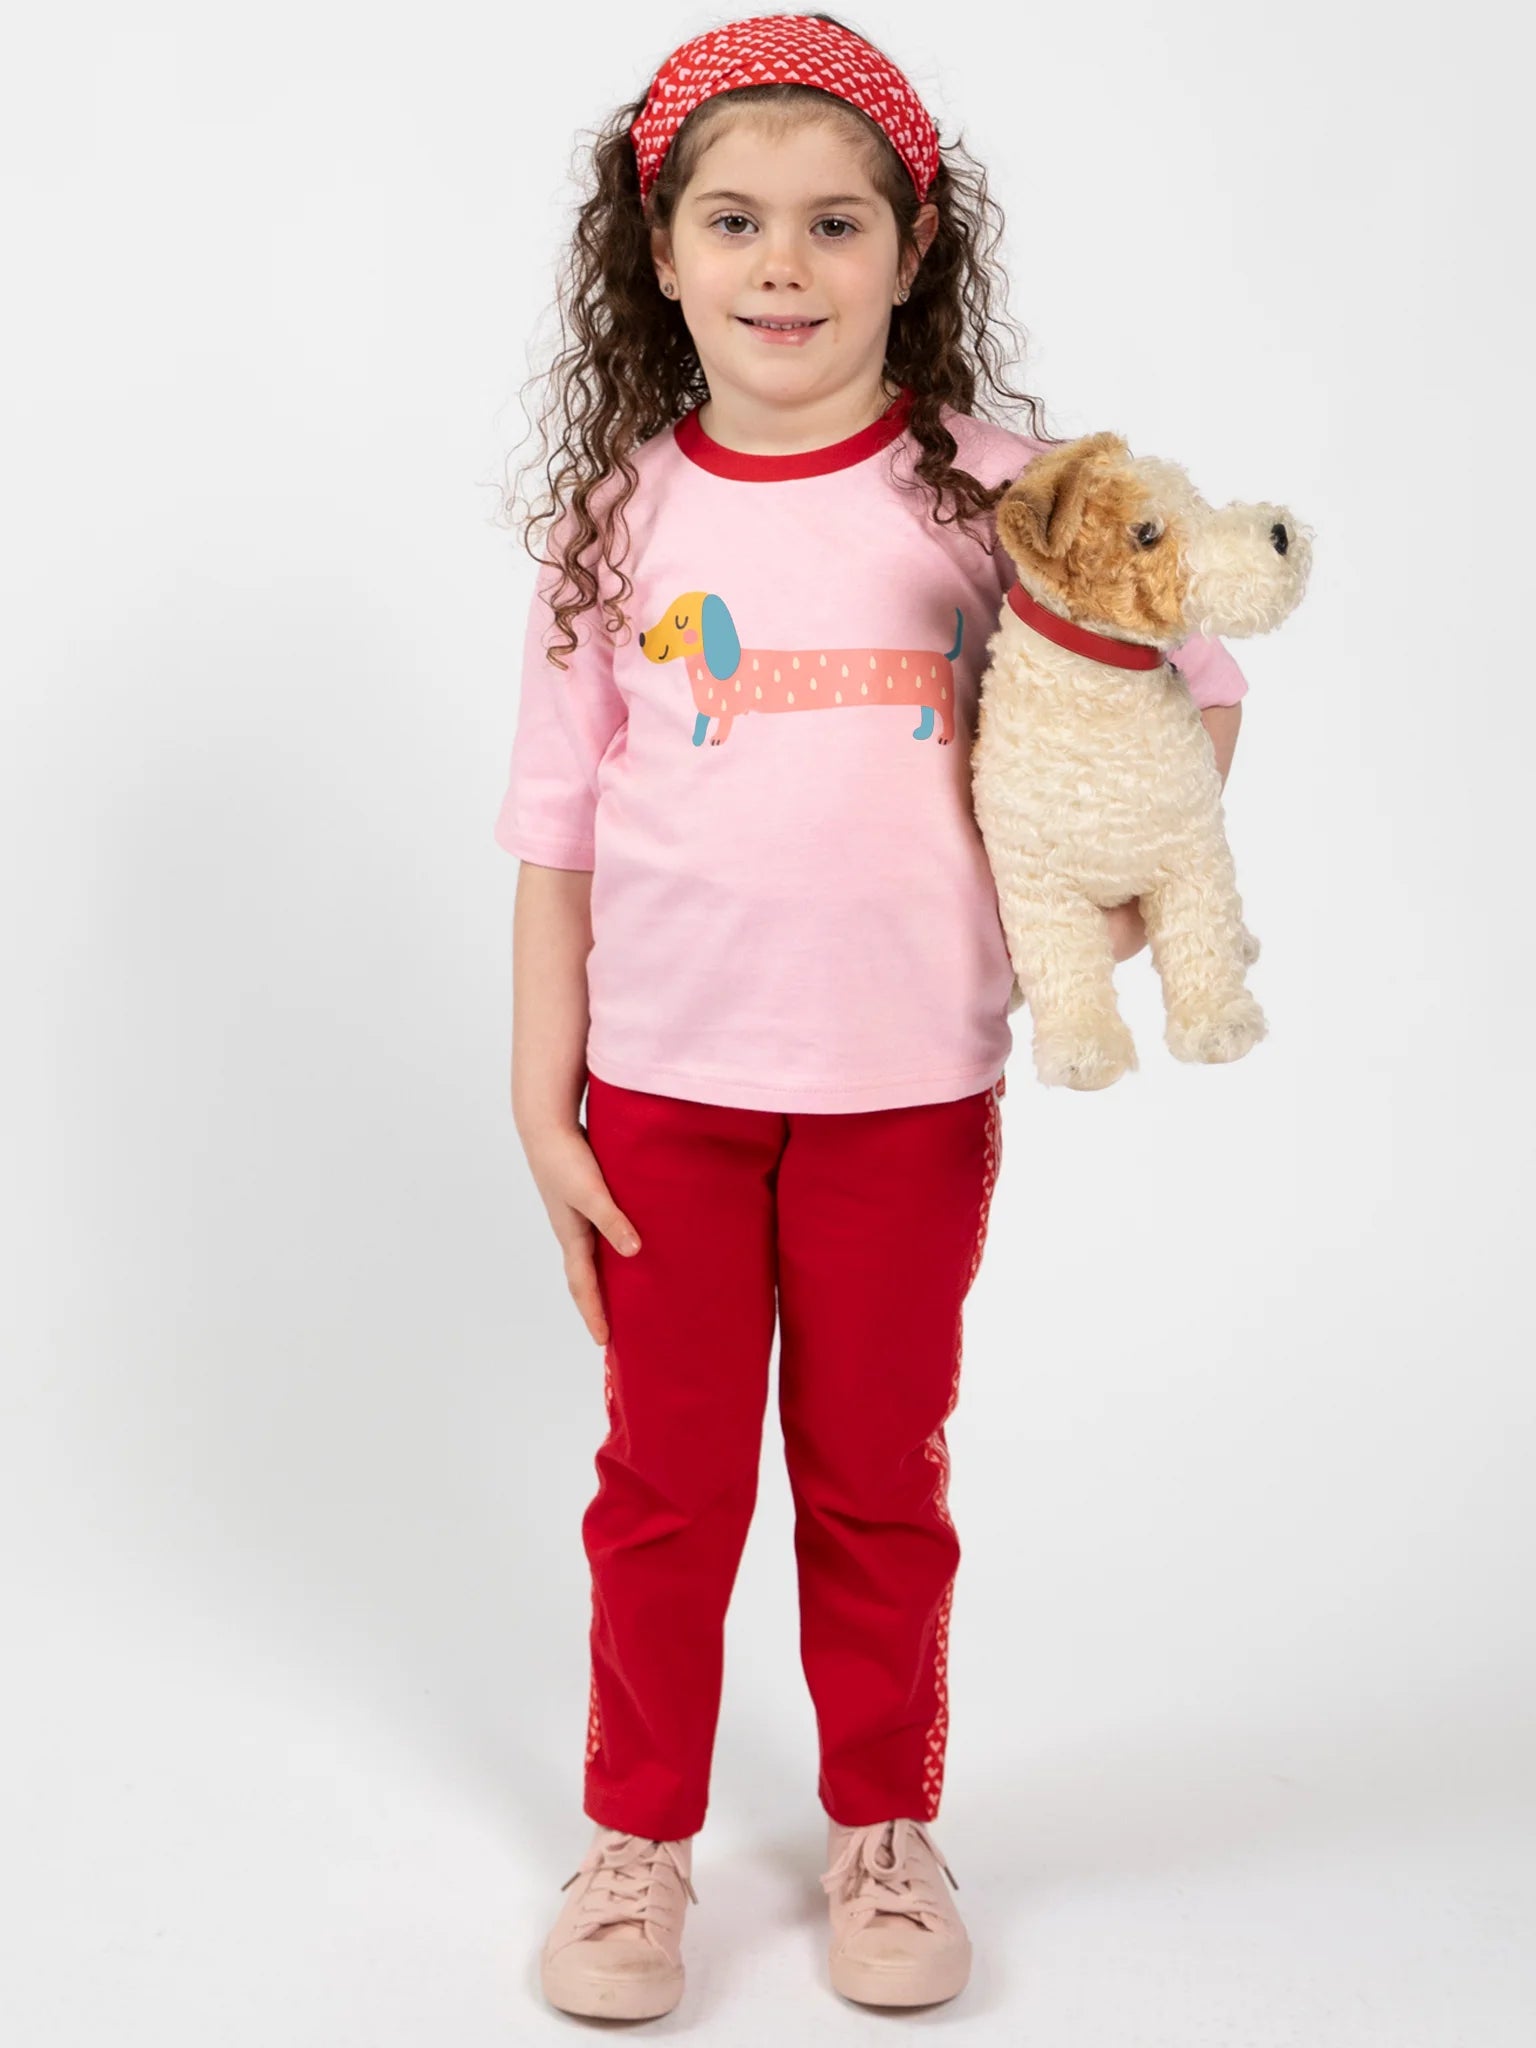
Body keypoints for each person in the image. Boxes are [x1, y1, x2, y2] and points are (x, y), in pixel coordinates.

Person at [493, 10, 1249, 2021]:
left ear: (916, 249)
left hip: (907, 1090)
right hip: (660, 1096)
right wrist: (537, 1096)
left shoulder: (1000, 497)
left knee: (873, 1473)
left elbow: (1181, 696)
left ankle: (883, 1829)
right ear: (657, 252)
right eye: (734, 222)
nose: (782, 267)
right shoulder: (617, 520)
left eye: (837, 225)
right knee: (665, 1481)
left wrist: (1087, 893)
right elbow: (555, 830)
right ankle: (637, 1839)